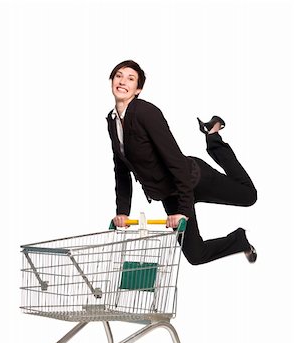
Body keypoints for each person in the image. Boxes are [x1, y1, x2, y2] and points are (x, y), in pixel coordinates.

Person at [107, 60, 257, 265]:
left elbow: (175, 160)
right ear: (112, 80)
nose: (123, 81)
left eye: (130, 79)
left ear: (138, 89)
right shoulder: (113, 120)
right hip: (170, 194)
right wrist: (122, 212)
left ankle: (214, 138)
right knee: (196, 255)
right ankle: (239, 241)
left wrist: (184, 212)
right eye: (119, 76)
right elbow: (121, 170)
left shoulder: (146, 113)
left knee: (249, 196)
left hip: (193, 178)